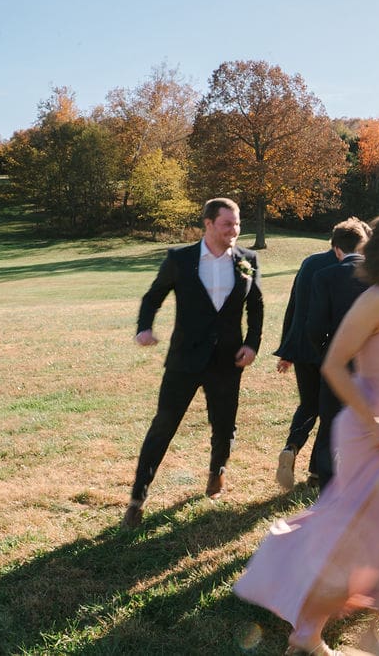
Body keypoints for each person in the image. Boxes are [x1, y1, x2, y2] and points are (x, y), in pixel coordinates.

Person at [234, 214, 379, 656]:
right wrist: (372, 418)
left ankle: (313, 634)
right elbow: (334, 364)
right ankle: (359, 633)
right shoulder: (374, 300)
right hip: (365, 432)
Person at [122, 198, 263, 528]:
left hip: (228, 361)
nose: (235, 230)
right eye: (228, 224)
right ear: (209, 224)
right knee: (163, 427)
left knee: (224, 424)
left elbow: (255, 306)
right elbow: (153, 297)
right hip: (185, 359)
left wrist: (252, 344)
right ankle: (137, 499)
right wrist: (145, 327)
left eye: (238, 223)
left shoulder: (247, 259)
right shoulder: (180, 259)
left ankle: (217, 472)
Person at [274, 217, 371, 491]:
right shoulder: (352, 270)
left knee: (309, 404)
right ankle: (318, 471)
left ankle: (292, 446)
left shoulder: (310, 263)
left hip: (303, 346)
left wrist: (287, 348)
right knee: (330, 410)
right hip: (334, 350)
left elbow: (294, 307)